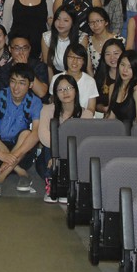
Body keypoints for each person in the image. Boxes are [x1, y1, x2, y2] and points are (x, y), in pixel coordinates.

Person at [0, 63, 42, 196]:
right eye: (13, 81)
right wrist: (2, 155)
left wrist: (13, 156)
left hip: (20, 154)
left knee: (27, 134)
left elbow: (36, 134)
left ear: (30, 85)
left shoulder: (35, 102)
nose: (16, 87)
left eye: (22, 83)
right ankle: (21, 173)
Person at [38, 73, 82, 202]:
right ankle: (52, 183)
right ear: (55, 94)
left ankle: (65, 186)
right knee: (49, 146)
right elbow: (43, 136)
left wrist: (61, 157)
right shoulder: (47, 110)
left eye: (69, 88)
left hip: (72, 159)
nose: (65, 92)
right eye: (60, 89)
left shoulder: (86, 114)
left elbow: (82, 142)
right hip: (49, 157)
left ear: (75, 90)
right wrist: (56, 156)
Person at [0, 34, 50, 99]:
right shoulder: (4, 70)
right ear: (10, 49)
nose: (21, 52)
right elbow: (1, 96)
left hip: (36, 104)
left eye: (25, 48)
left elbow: (41, 93)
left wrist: (26, 67)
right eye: (17, 48)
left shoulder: (39, 66)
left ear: (29, 49)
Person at [104, 50, 137, 124]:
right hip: (118, 130)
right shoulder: (113, 87)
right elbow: (111, 117)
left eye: (130, 67)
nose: (125, 70)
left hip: (134, 130)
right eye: (122, 65)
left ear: (136, 68)